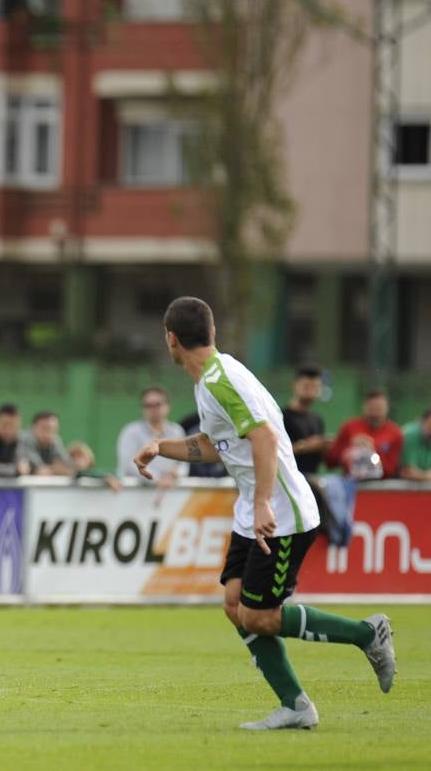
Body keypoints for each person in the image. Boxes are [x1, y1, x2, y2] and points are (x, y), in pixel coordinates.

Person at [134, 296, 394, 731]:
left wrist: (260, 506)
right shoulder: (213, 379)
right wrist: (162, 448)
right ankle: (295, 706)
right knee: (235, 605)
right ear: (212, 333)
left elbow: (266, 439)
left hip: (281, 513)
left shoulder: (221, 381)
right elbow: (216, 447)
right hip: (254, 509)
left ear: (170, 339)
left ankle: (368, 634)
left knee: (259, 616)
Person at [281, 366, 336, 538]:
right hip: (289, 482)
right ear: (295, 386)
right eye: (306, 386)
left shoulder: (316, 420)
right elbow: (276, 451)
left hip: (310, 478)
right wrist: (305, 446)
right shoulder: (282, 416)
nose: (311, 391)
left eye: (315, 387)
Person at [117, 387, 186, 497]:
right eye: (148, 405)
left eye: (157, 404)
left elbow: (184, 463)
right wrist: (158, 478)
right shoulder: (131, 432)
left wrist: (176, 474)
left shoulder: (176, 431)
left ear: (167, 406)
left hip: (170, 495)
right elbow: (129, 465)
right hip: (134, 495)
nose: (153, 409)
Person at [325, 390, 403, 482]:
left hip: (380, 487)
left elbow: (392, 470)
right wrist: (350, 448)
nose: (375, 413)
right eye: (371, 408)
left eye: (379, 408)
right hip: (352, 485)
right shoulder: (350, 427)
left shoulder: (395, 433)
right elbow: (330, 461)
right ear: (364, 407)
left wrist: (372, 450)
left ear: (387, 408)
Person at [20, 411, 74, 477]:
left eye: (53, 429)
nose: (48, 434)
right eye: (44, 428)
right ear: (33, 428)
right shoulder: (23, 439)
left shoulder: (56, 440)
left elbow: (70, 467)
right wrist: (57, 469)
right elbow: (41, 470)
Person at [0, 404, 30, 477]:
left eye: (13, 426)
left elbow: (26, 463)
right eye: (4, 425)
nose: (8, 430)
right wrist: (15, 470)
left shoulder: (23, 439)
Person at [400, 408, 431, 482]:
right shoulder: (410, 435)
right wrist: (426, 475)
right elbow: (408, 472)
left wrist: (422, 475)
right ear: (422, 422)